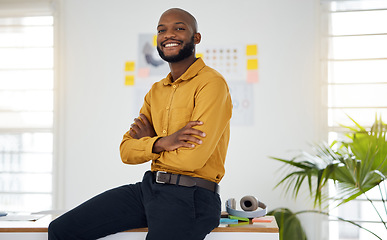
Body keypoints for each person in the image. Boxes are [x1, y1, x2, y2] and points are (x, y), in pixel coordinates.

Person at [48, 7, 232, 240]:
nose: (169, 35)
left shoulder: (211, 84)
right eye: (161, 30)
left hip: (191, 196)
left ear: (196, 38)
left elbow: (192, 158)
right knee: (61, 230)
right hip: (150, 188)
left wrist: (147, 145)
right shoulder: (156, 91)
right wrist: (164, 142)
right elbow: (126, 151)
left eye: (179, 28)